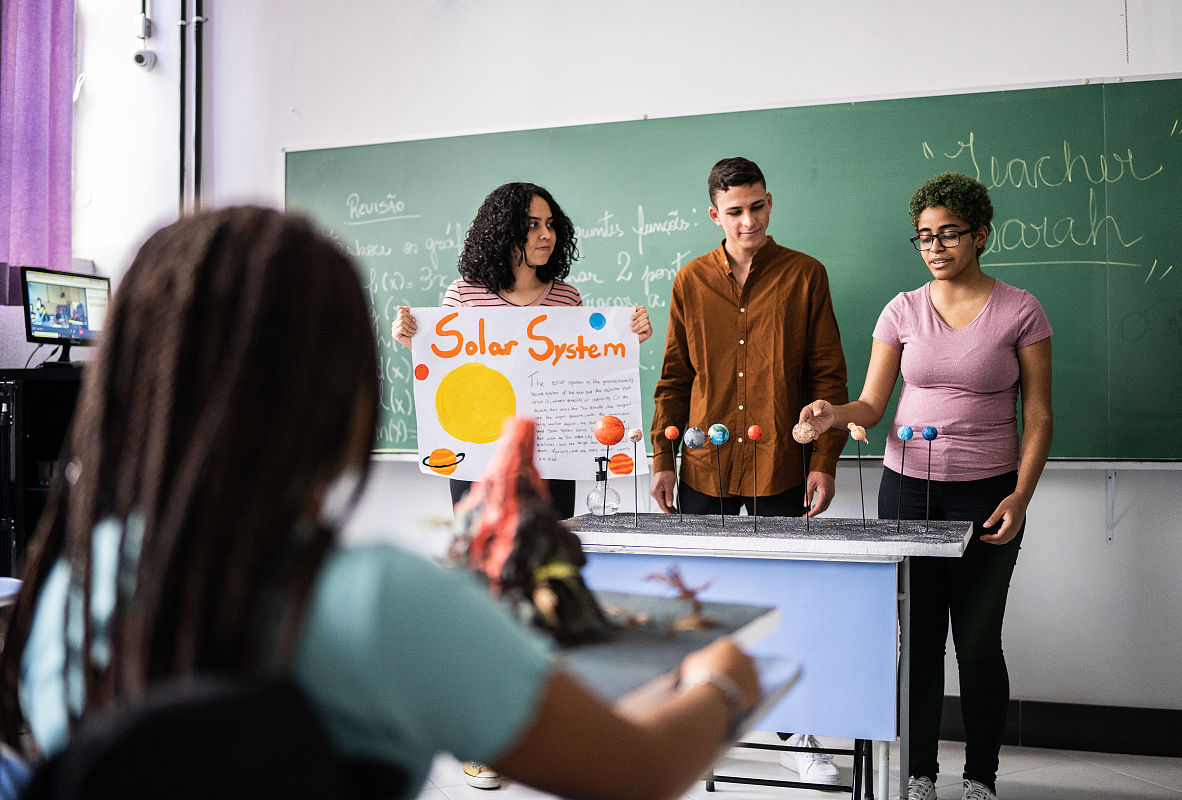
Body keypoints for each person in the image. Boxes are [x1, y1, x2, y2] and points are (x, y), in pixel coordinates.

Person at [0, 206, 759, 800]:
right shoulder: (383, 601)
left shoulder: (64, 594)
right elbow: (638, 770)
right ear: (342, 397)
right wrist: (724, 679)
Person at [797, 172, 1053, 800]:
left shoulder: (1020, 309)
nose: (935, 247)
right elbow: (872, 403)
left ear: (980, 235)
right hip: (908, 491)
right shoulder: (902, 309)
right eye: (924, 237)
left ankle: (981, 778)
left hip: (988, 494)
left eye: (949, 234)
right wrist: (834, 415)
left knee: (977, 640)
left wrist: (1020, 496)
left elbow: (1040, 415)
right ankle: (919, 775)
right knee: (918, 643)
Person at [648, 156, 850, 785]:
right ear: (715, 214)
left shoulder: (805, 275)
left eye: (757, 206)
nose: (748, 220)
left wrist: (824, 459)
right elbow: (675, 378)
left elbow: (828, 376)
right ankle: (695, 729)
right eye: (734, 210)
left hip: (783, 465)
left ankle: (797, 731)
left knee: (784, 600)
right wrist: (662, 459)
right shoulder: (689, 280)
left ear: (770, 203)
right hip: (704, 467)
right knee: (697, 604)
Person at [392, 182, 652, 523]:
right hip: (478, 463)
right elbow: (449, 371)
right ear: (503, 232)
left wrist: (626, 343)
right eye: (532, 225)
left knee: (548, 560)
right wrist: (414, 341)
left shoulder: (567, 298)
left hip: (552, 464)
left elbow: (583, 375)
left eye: (550, 224)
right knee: (482, 558)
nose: (546, 234)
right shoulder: (464, 294)